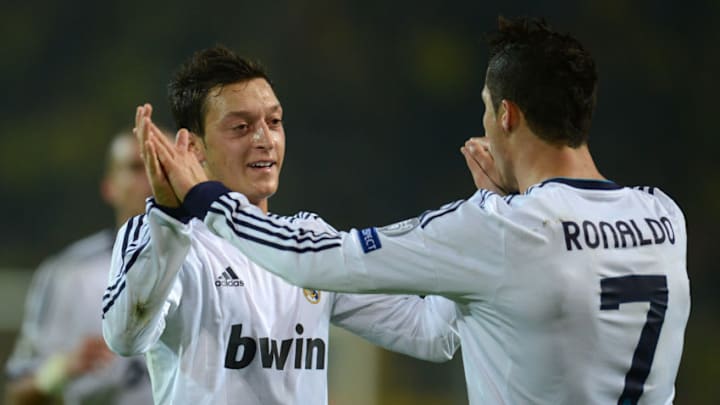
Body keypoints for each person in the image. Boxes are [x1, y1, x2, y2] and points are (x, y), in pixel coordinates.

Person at [149, 16, 691, 405]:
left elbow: (312, 257)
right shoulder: (665, 218)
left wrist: (202, 198)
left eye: (484, 111)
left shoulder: (503, 229)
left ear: (506, 116)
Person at [101, 46, 459, 405]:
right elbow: (126, 338)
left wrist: (484, 230)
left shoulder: (309, 242)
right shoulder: (166, 238)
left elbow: (430, 333)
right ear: (193, 147)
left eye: (273, 122)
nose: (265, 140)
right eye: (241, 127)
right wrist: (169, 220)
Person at [5, 133, 154, 405]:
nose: (152, 176)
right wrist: (58, 372)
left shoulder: (219, 263)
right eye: (135, 167)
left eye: (160, 163)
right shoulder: (69, 273)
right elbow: (17, 394)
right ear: (110, 187)